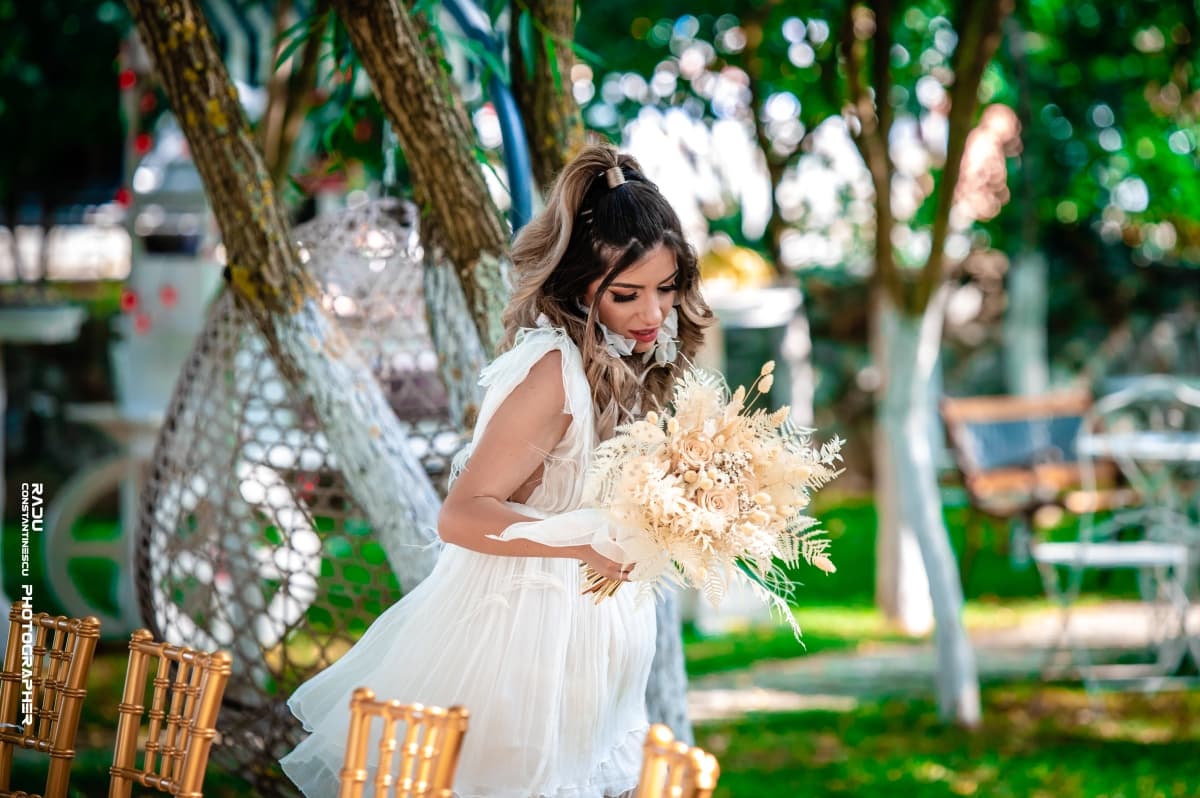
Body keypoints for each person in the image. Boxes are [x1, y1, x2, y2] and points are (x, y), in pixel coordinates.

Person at [280, 143, 712, 798]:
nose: (653, 314)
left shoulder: (629, 361)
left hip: (594, 644)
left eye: (667, 290)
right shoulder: (552, 372)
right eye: (628, 294)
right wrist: (584, 539)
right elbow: (462, 513)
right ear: (580, 286)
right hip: (526, 645)